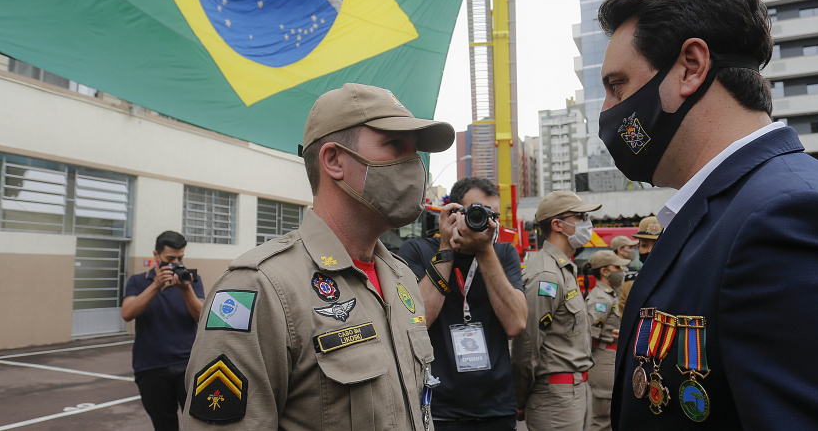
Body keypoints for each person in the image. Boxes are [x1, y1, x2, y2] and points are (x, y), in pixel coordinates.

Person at [598, 0, 818, 429]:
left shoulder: (786, 216)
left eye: (617, 85)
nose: (608, 111)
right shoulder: (729, 208)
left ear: (691, 67)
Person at [182, 83, 455, 430]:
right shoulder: (262, 287)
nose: (415, 165)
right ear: (334, 160)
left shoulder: (400, 277)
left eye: (415, 152)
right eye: (395, 146)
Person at [399, 176, 527, 431]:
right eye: (479, 212)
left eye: (494, 216)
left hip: (496, 408)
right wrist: (446, 247)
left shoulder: (503, 253)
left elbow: (516, 324)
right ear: (454, 212)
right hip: (438, 408)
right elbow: (418, 321)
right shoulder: (417, 250)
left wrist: (485, 250)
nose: (488, 223)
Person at [511, 190, 601, 430]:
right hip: (554, 398)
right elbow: (528, 345)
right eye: (581, 216)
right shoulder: (546, 276)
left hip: (574, 391)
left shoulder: (563, 269)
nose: (587, 223)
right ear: (558, 225)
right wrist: (519, 398)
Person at [122, 230, 205, 431]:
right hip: (151, 368)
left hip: (188, 366)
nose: (176, 262)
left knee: (200, 424)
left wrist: (186, 290)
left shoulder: (192, 280)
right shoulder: (137, 281)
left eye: (180, 258)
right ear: (156, 255)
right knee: (164, 426)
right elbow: (127, 313)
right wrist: (156, 285)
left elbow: (203, 317)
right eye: (170, 258)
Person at [584, 250, 630, 431]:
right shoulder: (600, 300)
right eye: (617, 267)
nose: (622, 270)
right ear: (604, 271)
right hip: (604, 361)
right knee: (604, 420)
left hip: (612, 358)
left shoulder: (610, 295)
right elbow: (589, 335)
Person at [615, 217, 661, 313]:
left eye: (657, 245)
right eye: (644, 245)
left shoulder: (677, 281)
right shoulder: (629, 284)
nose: (650, 251)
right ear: (638, 247)